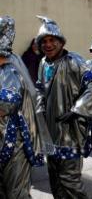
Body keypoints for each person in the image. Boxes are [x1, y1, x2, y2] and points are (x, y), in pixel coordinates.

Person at [35, 16, 92, 198]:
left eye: (52, 40)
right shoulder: (42, 63)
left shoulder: (75, 61)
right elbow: (40, 88)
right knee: (54, 179)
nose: (48, 45)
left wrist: (76, 110)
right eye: (44, 42)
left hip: (70, 134)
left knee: (70, 182)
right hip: (49, 132)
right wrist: (39, 106)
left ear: (61, 41)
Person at [0, 16, 53, 198]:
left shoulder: (10, 67)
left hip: (13, 141)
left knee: (16, 192)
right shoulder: (18, 60)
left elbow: (7, 104)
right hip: (5, 139)